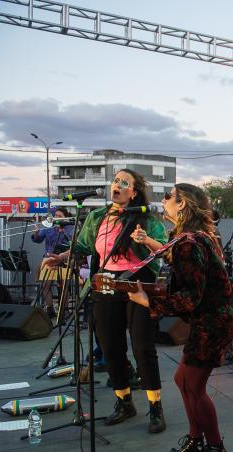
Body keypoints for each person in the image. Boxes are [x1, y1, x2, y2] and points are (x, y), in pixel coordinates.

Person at [45, 169, 168, 433]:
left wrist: (145, 240)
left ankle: (155, 407)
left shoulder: (146, 219)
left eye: (125, 183)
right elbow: (82, 247)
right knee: (111, 346)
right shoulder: (97, 217)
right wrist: (60, 257)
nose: (118, 185)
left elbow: (165, 249)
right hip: (106, 284)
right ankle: (124, 402)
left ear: (133, 192)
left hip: (137, 284)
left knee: (142, 346)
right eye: (115, 181)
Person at [128, 183, 233, 452]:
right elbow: (174, 257)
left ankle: (215, 450)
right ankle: (196, 440)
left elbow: (190, 296)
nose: (162, 201)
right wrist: (150, 241)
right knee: (182, 380)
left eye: (168, 197)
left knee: (193, 386)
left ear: (183, 205)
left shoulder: (190, 242)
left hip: (213, 324)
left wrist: (148, 300)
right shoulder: (195, 237)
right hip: (212, 321)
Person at [32, 207, 74, 317]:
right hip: (48, 259)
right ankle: (50, 308)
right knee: (45, 285)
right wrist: (36, 233)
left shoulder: (70, 227)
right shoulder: (48, 226)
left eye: (60, 216)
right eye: (55, 216)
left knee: (64, 286)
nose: (57, 218)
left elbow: (72, 241)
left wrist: (62, 230)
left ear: (65, 217)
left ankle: (64, 309)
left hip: (64, 259)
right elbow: (38, 239)